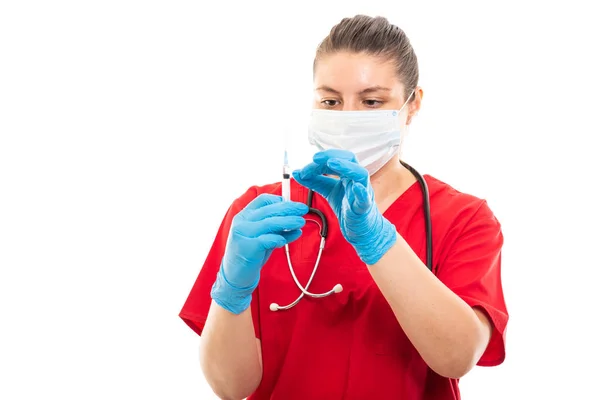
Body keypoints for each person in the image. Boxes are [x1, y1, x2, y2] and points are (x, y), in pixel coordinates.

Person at [179, 14, 508, 400]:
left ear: (412, 103)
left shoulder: (463, 219)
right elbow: (231, 388)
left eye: (372, 101)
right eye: (330, 101)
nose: (348, 117)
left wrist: (376, 240)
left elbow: (456, 357)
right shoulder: (260, 212)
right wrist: (231, 290)